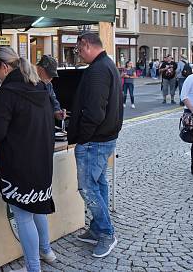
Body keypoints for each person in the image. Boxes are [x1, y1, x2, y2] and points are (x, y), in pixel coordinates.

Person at [0, 47, 56, 272]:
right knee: (37, 208)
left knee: (23, 215)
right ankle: (47, 251)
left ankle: (33, 267)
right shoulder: (39, 86)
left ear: (4, 67)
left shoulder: (7, 92)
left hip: (19, 163)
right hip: (42, 160)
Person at [68, 32, 123, 258]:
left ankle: (107, 233)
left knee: (88, 188)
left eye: (79, 50)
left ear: (86, 45)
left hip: (95, 140)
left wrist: (83, 137)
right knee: (98, 184)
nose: (78, 54)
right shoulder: (107, 65)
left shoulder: (98, 70)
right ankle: (98, 229)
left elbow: (94, 112)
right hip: (103, 138)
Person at [36, 54, 66, 120]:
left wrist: (58, 112)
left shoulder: (48, 85)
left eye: (52, 76)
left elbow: (53, 100)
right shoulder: (28, 82)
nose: (51, 78)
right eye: (49, 75)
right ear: (40, 69)